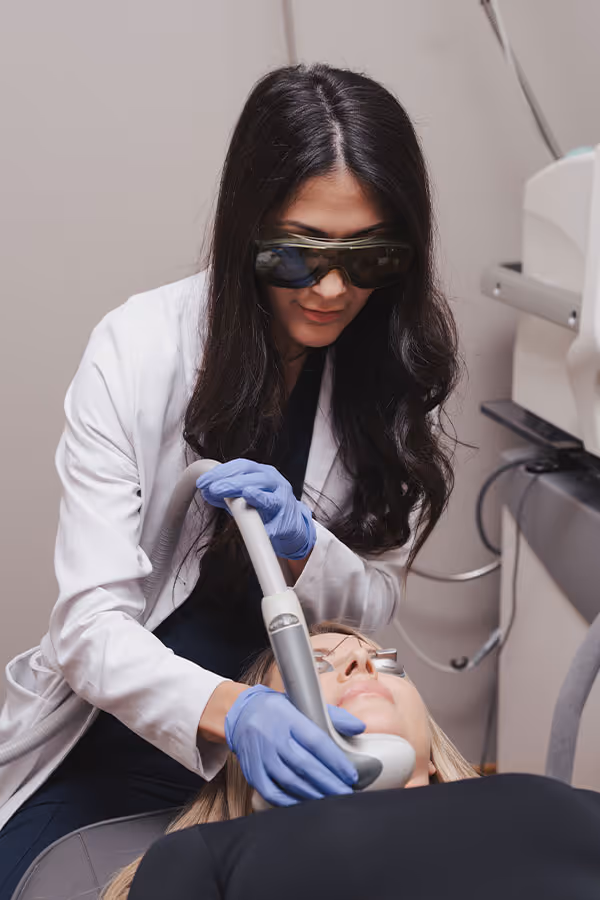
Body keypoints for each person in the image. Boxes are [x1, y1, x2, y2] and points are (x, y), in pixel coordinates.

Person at [0, 63, 458, 897]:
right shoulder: (141, 347)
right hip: (129, 720)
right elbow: (88, 627)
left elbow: (377, 608)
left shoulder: (386, 373)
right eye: (298, 252)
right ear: (248, 227)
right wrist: (237, 715)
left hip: (308, 728)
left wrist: (302, 554)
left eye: (368, 257)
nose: (331, 288)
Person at [117, 626, 600, 900]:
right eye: (316, 665)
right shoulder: (208, 857)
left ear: (431, 756)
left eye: (387, 662)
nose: (364, 665)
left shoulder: (550, 803)